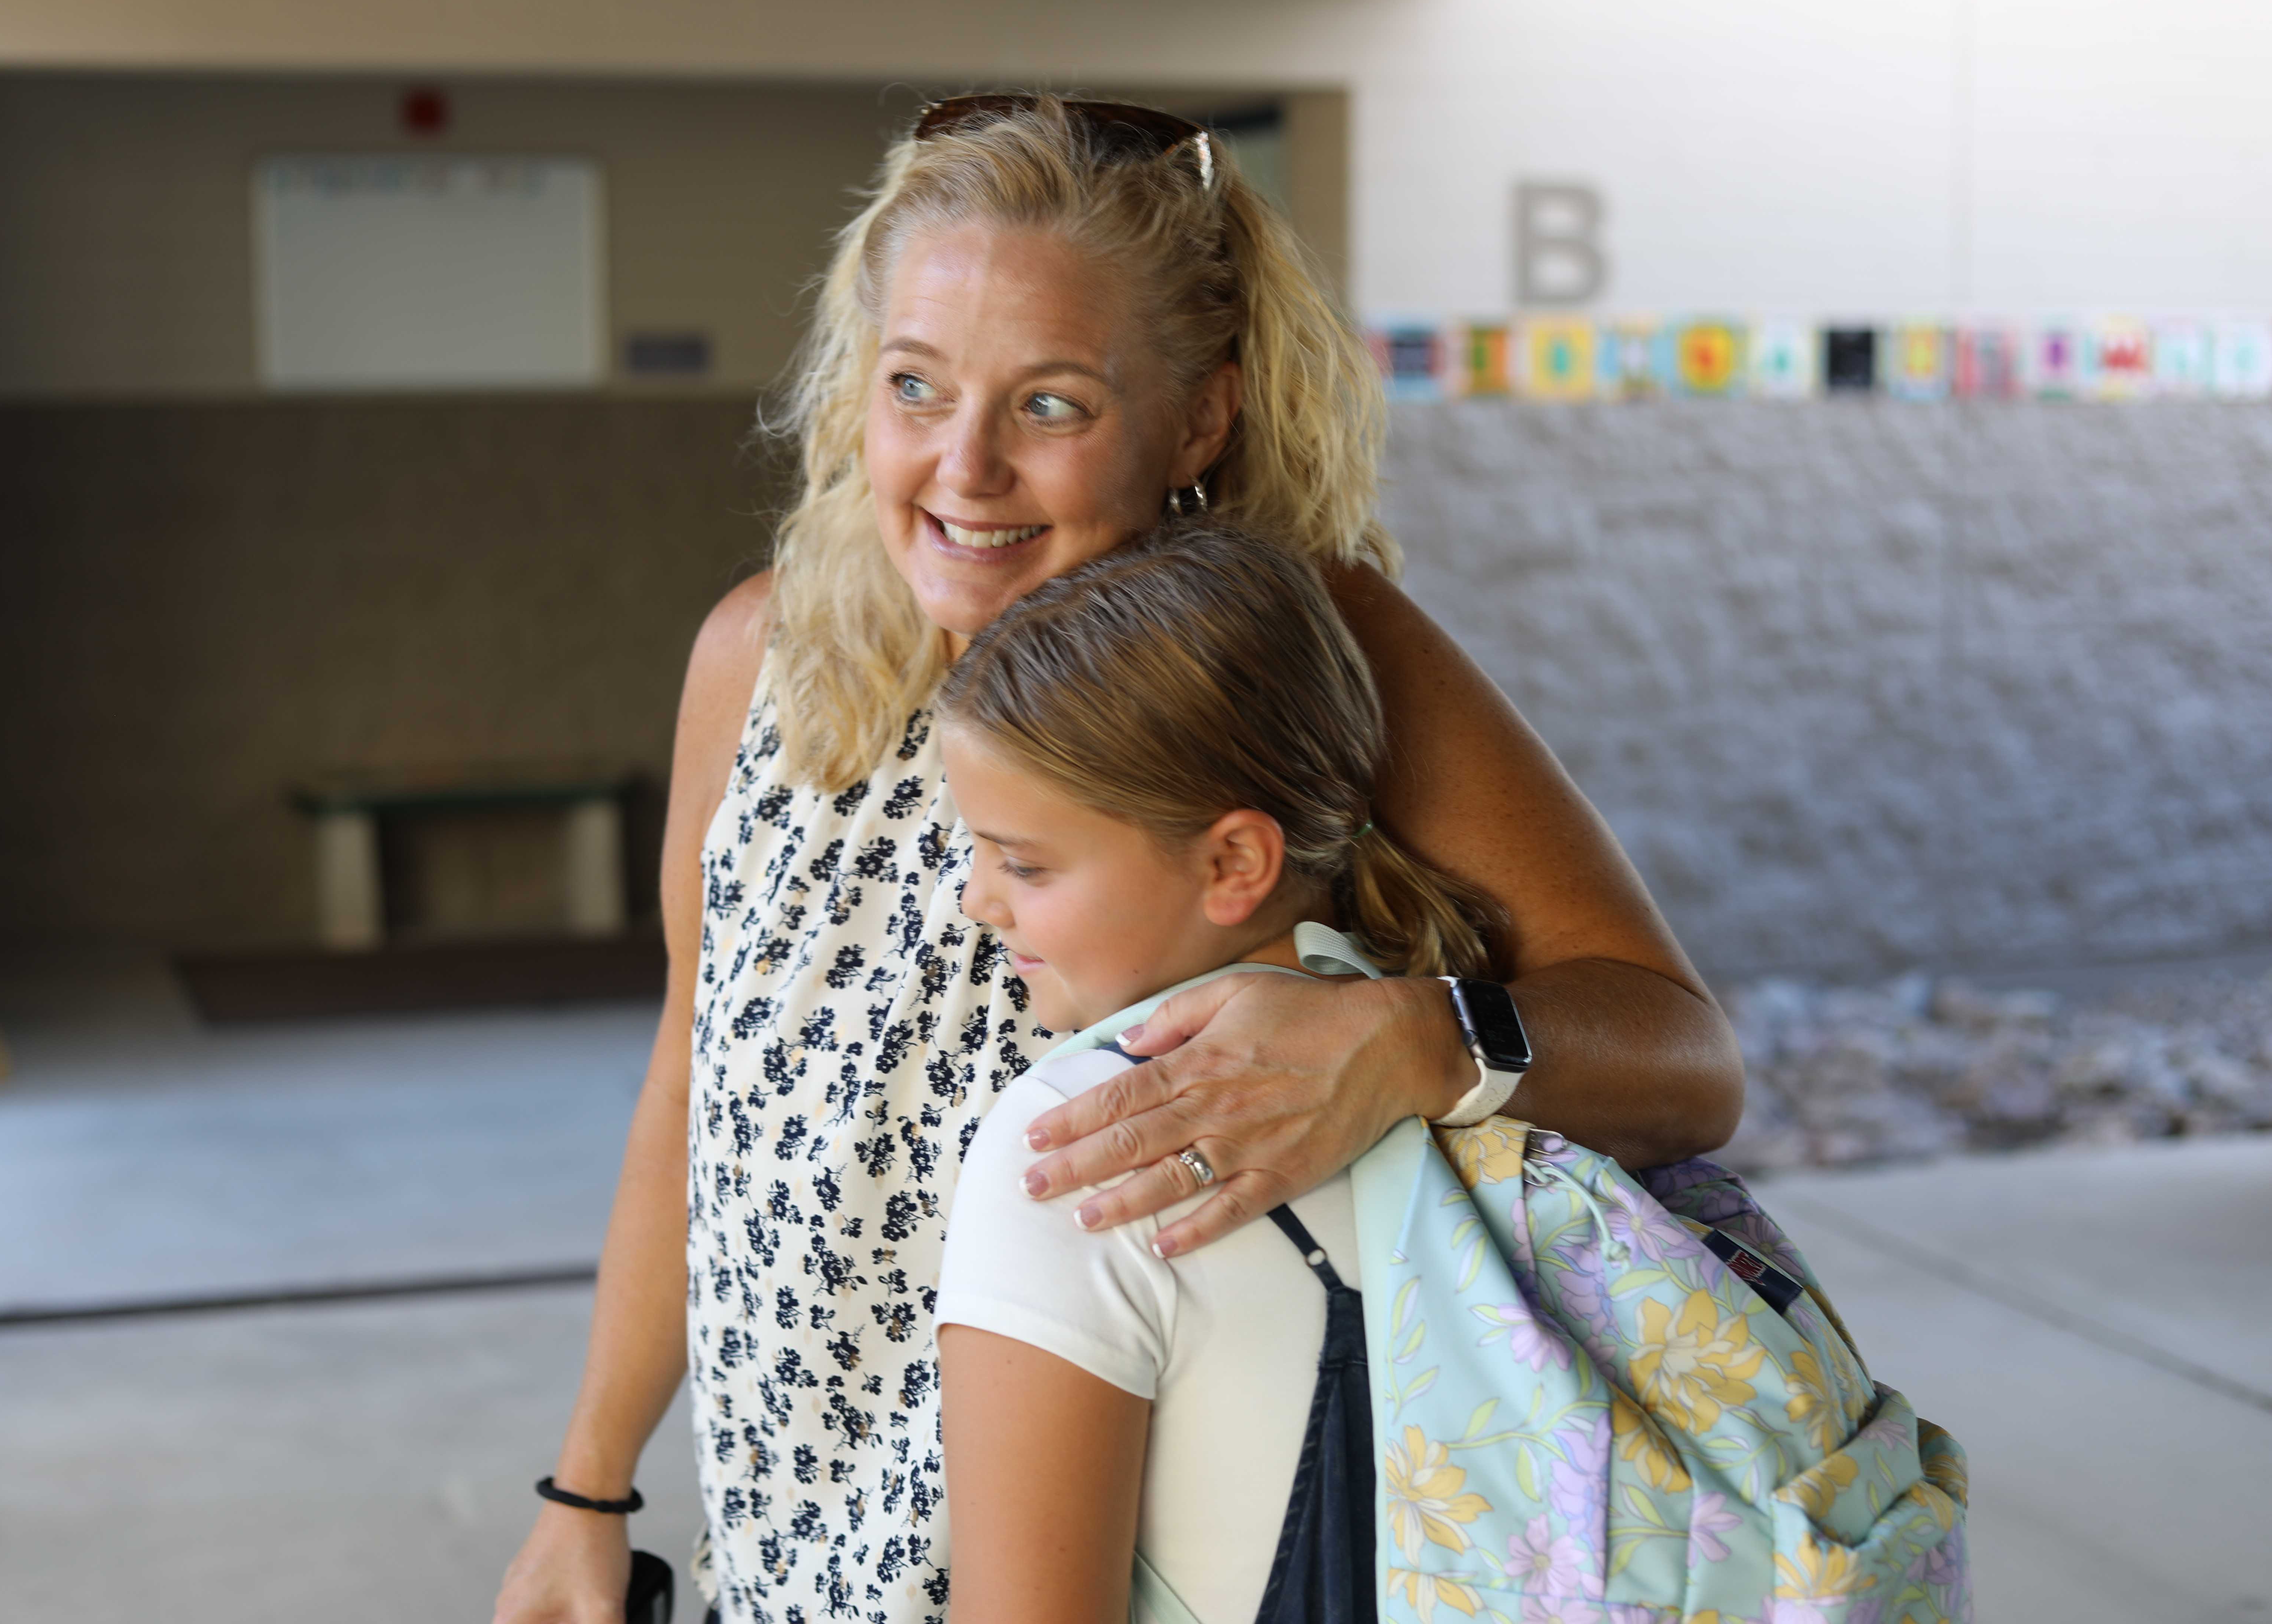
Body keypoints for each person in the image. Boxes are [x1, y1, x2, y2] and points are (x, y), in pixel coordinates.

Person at [492, 94, 1743, 1624]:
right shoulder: (759, 658)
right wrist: (591, 1480)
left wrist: (1414, 1038)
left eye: (1053, 405)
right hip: (785, 1533)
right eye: (915, 386)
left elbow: (1682, 1056)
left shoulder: (1296, 659)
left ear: (1199, 420)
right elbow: (697, 1074)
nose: (965, 468)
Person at [931, 521, 1492, 1624]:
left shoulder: (1085, 1143)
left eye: (1026, 863)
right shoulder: (1477, 1061)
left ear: (1235, 860)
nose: (979, 901)